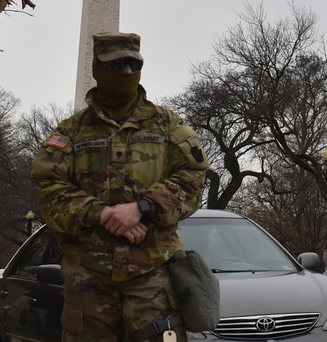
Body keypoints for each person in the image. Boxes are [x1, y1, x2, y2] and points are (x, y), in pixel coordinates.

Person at [32, 33, 209, 342]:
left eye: (133, 63)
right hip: (89, 279)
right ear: (98, 69)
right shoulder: (71, 132)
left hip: (153, 275)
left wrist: (143, 208)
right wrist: (102, 214)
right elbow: (48, 188)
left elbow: (194, 177)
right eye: (116, 64)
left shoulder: (167, 125)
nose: (127, 72)